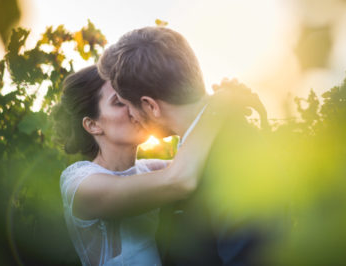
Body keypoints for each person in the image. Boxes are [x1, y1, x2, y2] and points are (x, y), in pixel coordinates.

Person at [98, 26, 269, 265]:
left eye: (128, 104)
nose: (130, 116)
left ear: (150, 106)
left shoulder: (237, 152)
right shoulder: (194, 149)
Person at [53, 65, 238, 266]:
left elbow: (200, 161)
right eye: (118, 102)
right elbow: (180, 180)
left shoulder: (148, 169)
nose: (133, 108)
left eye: (130, 98)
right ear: (93, 125)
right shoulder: (80, 184)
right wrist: (217, 106)